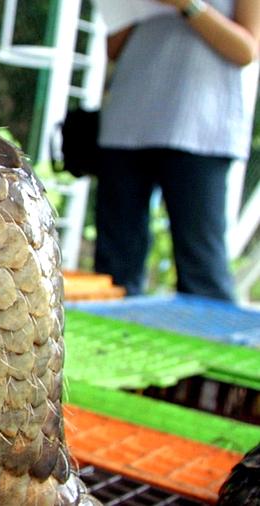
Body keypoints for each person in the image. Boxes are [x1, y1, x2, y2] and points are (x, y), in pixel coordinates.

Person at [95, 0, 260, 301]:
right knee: (114, 268)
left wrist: (187, 4)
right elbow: (114, 49)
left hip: (200, 128)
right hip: (127, 121)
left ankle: (209, 332)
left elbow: (247, 50)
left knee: (202, 268)